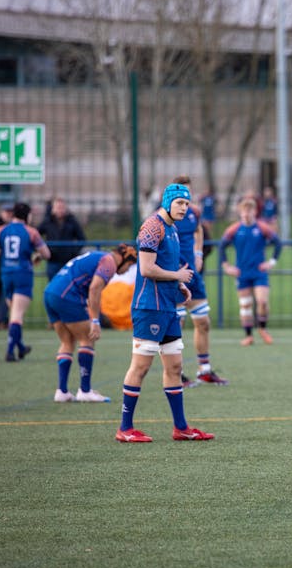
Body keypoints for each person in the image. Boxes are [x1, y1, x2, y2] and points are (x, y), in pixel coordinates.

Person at [115, 182, 214, 443]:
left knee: (175, 365)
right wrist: (178, 275)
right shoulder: (152, 227)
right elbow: (146, 269)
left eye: (187, 203)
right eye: (180, 202)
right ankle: (125, 428)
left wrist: (178, 285)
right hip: (149, 308)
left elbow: (164, 266)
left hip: (168, 307)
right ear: (167, 202)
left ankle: (181, 427)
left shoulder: (171, 228)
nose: (184, 207)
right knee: (141, 367)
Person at [44, 244, 138, 403]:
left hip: (50, 293)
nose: (128, 270)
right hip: (68, 296)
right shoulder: (109, 262)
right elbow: (94, 289)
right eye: (129, 265)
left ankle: (62, 391)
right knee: (88, 338)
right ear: (123, 258)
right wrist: (95, 320)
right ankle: (85, 390)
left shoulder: (99, 256)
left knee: (67, 342)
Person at [169, 175, 227, 387]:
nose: (186, 198)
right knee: (178, 323)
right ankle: (176, 373)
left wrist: (199, 253)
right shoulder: (164, 214)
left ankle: (204, 371)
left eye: (188, 193)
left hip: (194, 276)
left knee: (203, 322)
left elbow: (198, 231)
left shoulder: (193, 212)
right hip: (174, 278)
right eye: (181, 193)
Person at [0, 202, 51, 361]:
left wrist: (3, 252)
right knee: (17, 315)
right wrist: (36, 256)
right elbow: (46, 253)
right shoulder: (31, 232)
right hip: (23, 274)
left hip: (6, 274)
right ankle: (10, 351)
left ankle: (21, 347)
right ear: (27, 216)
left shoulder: (0, 230)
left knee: (14, 311)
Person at [220, 196, 282, 346]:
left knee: (262, 301)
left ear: (254, 211)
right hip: (242, 273)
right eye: (244, 211)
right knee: (245, 305)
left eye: (249, 211)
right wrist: (226, 266)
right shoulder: (234, 229)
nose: (246, 214)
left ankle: (262, 328)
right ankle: (248, 335)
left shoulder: (262, 227)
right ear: (240, 212)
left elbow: (277, 243)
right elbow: (222, 246)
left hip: (259, 272)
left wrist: (271, 262)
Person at [38, 196, 86, 280]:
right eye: (58, 208)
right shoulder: (47, 222)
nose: (60, 210)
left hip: (68, 260)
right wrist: (44, 250)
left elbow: (82, 239)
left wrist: (73, 252)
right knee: (53, 285)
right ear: (53, 209)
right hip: (53, 260)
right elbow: (36, 236)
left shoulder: (72, 222)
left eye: (62, 207)